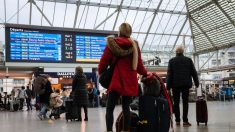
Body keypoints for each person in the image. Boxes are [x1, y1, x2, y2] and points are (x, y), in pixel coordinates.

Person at [98, 23, 147, 132]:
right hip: (129, 80)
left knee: (110, 108)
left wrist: (102, 73)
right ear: (130, 32)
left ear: (119, 31)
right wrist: (145, 73)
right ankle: (126, 130)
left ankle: (109, 130)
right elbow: (139, 65)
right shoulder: (134, 45)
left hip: (116, 79)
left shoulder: (112, 44)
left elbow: (103, 63)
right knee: (126, 108)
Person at [166, 45, 199, 127]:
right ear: (183, 52)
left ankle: (177, 121)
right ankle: (185, 121)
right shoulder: (188, 60)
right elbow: (194, 72)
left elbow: (169, 75)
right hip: (185, 84)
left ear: (176, 52)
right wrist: (197, 83)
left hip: (175, 85)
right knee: (185, 102)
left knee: (176, 102)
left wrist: (168, 87)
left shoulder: (171, 61)